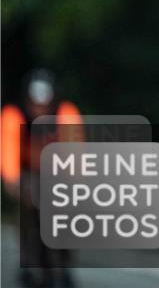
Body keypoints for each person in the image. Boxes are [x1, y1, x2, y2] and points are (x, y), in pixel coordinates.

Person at [1, 69, 82, 288]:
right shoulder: (13, 114)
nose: (39, 110)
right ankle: (30, 263)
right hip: (27, 172)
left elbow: (74, 151)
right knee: (29, 214)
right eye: (34, 104)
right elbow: (8, 150)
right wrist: (13, 180)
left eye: (44, 105)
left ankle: (61, 267)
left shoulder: (66, 112)